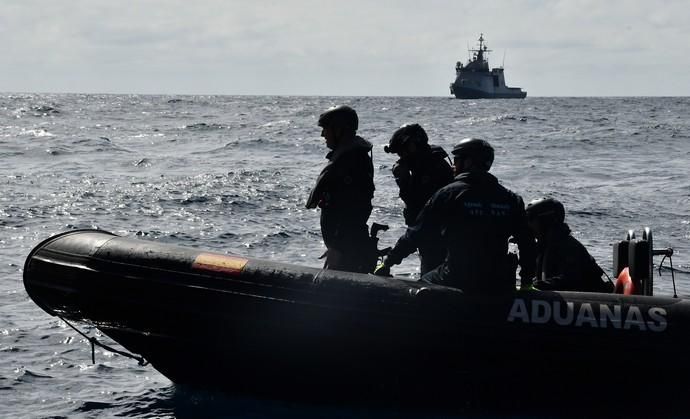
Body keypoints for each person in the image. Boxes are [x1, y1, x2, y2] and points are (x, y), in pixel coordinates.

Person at [375, 138, 536, 294]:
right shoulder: (511, 199)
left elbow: (416, 233)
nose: (453, 166)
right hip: (498, 280)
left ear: (468, 162)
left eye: (457, 159)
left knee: (422, 284)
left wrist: (388, 262)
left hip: (456, 276)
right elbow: (527, 243)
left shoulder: (448, 194)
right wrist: (527, 281)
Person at [306, 105, 376, 273]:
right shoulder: (345, 157)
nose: (323, 135)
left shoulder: (352, 161)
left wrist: (338, 247)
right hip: (344, 246)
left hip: (349, 249)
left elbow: (355, 209)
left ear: (339, 130)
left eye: (326, 129)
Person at [384, 123, 454, 274]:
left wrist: (390, 261)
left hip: (438, 241)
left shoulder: (432, 169)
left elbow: (420, 219)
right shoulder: (424, 166)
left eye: (402, 153)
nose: (401, 159)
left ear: (412, 147)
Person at [525, 197, 612, 293]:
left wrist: (537, 286)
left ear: (546, 221)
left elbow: (570, 281)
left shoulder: (569, 247)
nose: (528, 225)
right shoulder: (543, 247)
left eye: (531, 219)